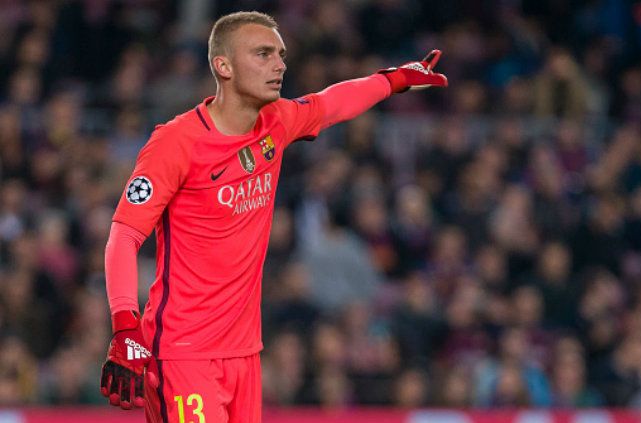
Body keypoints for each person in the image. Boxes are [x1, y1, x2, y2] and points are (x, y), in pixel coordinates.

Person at [98, 10, 447, 423]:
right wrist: (125, 326)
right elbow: (124, 236)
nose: (280, 64)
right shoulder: (176, 142)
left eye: (280, 54)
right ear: (223, 66)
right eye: (263, 54)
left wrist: (395, 79)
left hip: (245, 352)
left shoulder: (276, 122)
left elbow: (332, 102)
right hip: (183, 352)